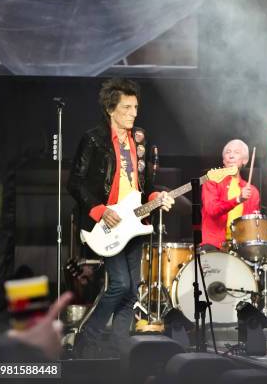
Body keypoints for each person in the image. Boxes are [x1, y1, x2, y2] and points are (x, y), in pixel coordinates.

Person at [67, 78, 174, 357]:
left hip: (134, 223)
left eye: (136, 107)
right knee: (120, 284)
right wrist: (99, 210)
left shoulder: (140, 140)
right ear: (110, 109)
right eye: (126, 107)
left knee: (132, 290)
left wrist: (156, 200)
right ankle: (87, 336)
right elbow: (75, 182)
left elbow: (145, 187)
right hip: (106, 223)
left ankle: (118, 347)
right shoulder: (94, 139)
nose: (133, 113)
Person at [201, 139, 260, 250]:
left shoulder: (252, 192)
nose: (231, 156)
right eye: (228, 152)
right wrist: (238, 199)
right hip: (214, 245)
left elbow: (252, 225)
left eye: (236, 152)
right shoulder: (212, 181)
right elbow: (212, 209)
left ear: (245, 160)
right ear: (224, 160)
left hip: (240, 246)